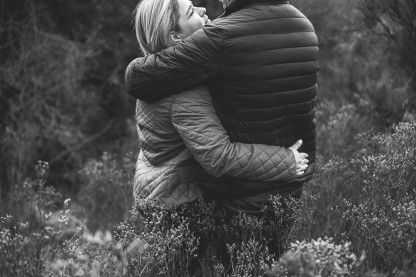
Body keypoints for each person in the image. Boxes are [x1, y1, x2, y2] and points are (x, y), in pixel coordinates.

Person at [126, 0, 319, 212]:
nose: (204, 9)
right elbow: (218, 156)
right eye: (191, 11)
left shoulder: (173, 77)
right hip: (178, 203)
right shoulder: (304, 23)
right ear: (174, 36)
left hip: (176, 196)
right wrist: (287, 161)